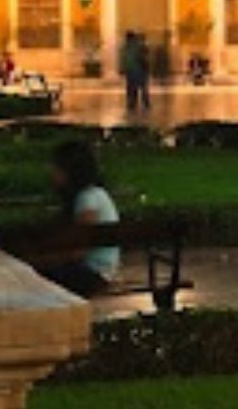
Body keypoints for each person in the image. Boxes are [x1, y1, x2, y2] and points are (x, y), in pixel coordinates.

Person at [31, 140, 120, 298]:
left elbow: (79, 247)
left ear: (69, 171)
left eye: (56, 167)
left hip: (93, 272)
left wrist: (48, 258)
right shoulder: (96, 193)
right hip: (100, 270)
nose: (51, 172)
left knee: (34, 274)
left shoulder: (86, 199)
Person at [121, 31, 151, 112]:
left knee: (131, 89)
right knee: (143, 88)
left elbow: (123, 59)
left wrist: (123, 69)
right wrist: (147, 68)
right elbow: (143, 58)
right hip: (139, 71)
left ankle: (132, 104)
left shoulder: (125, 47)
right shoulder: (139, 46)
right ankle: (146, 104)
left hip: (129, 71)